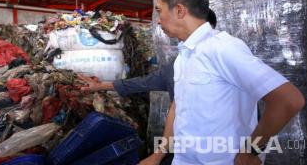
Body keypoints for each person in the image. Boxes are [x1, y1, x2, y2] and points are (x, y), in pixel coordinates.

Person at [122, 0, 305, 165]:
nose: (157, 20)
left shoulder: (222, 48)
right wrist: (159, 153)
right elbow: (178, 106)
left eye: (159, 11)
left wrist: (250, 151)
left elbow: (288, 100)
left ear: (179, 10)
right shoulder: (184, 57)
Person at [79, 9, 217, 102]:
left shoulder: (224, 52)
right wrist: (101, 85)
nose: (158, 21)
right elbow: (141, 83)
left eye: (162, 12)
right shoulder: (176, 65)